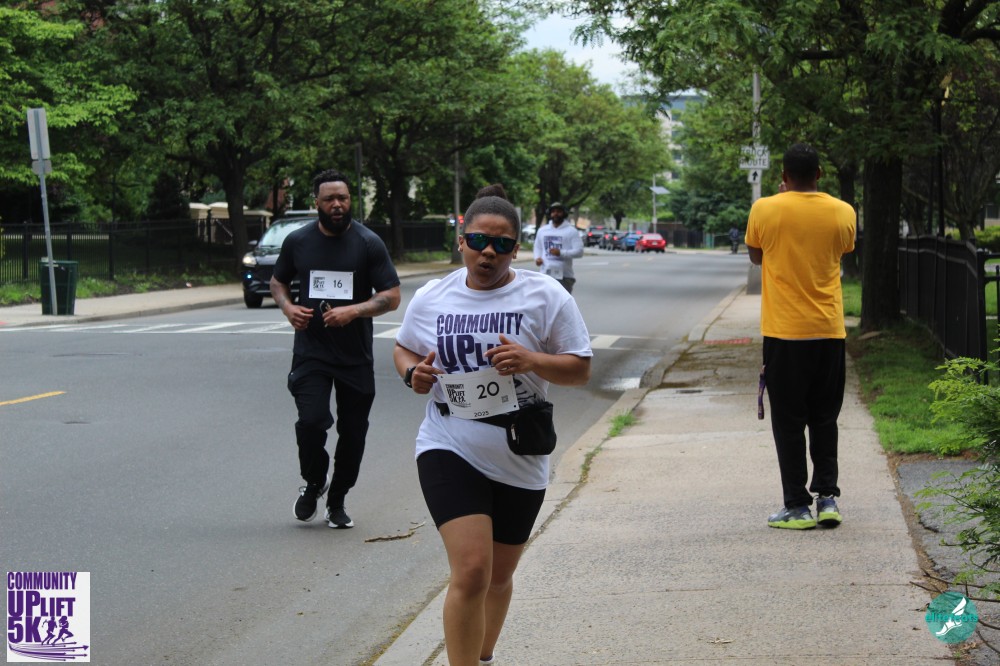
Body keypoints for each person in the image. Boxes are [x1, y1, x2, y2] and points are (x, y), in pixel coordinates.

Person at [393, 184, 592, 665]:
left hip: (519, 450)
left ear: (516, 249)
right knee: (472, 571)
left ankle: (481, 657)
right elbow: (404, 347)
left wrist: (531, 360)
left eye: (501, 244)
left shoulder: (545, 295)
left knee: (499, 577)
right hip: (448, 440)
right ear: (462, 239)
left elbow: (580, 369)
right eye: (480, 241)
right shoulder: (434, 296)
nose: (489, 253)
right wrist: (412, 374)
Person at [271, 169, 401, 529]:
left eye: (343, 197)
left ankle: (338, 498)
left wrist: (354, 311)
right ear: (317, 202)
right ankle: (314, 481)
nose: (338, 204)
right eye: (329, 199)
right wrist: (287, 307)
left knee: (353, 432)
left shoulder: (367, 243)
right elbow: (278, 281)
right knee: (311, 421)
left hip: (354, 356)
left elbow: (391, 296)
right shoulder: (298, 241)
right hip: (311, 352)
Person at [745, 143, 856, 530]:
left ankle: (796, 506)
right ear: (820, 174)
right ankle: (827, 499)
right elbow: (839, 252)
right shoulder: (843, 211)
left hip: (784, 334)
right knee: (825, 417)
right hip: (829, 331)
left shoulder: (764, 209)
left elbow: (757, 256)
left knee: (788, 422)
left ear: (784, 175)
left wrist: (781, 203)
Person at [532, 201, 584, 293]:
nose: (555, 214)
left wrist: (560, 252)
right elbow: (538, 247)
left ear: (564, 213)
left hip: (564, 276)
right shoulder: (542, 230)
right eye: (553, 211)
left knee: (562, 302)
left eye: (559, 211)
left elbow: (579, 251)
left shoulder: (571, 231)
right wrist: (537, 258)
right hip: (545, 274)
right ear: (549, 214)